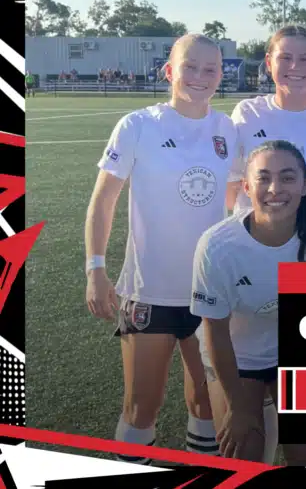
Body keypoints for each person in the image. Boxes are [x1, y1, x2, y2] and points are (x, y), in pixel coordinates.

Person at [84, 34, 238, 463]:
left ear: (221, 75)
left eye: (211, 69)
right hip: (150, 292)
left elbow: (235, 198)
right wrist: (96, 268)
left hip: (209, 293)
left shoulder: (228, 130)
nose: (200, 77)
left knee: (207, 406)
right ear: (169, 71)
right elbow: (104, 199)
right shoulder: (138, 125)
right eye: (190, 66)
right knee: (140, 410)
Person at [192, 140, 306, 464]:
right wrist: (237, 407)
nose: (275, 188)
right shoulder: (218, 246)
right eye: (263, 178)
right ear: (247, 187)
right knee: (244, 451)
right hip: (239, 356)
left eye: (288, 177)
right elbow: (216, 332)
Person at [230, 26, 306, 214]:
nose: (295, 66)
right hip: (258, 237)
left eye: (305, 59)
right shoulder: (247, 113)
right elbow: (232, 185)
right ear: (268, 62)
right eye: (285, 58)